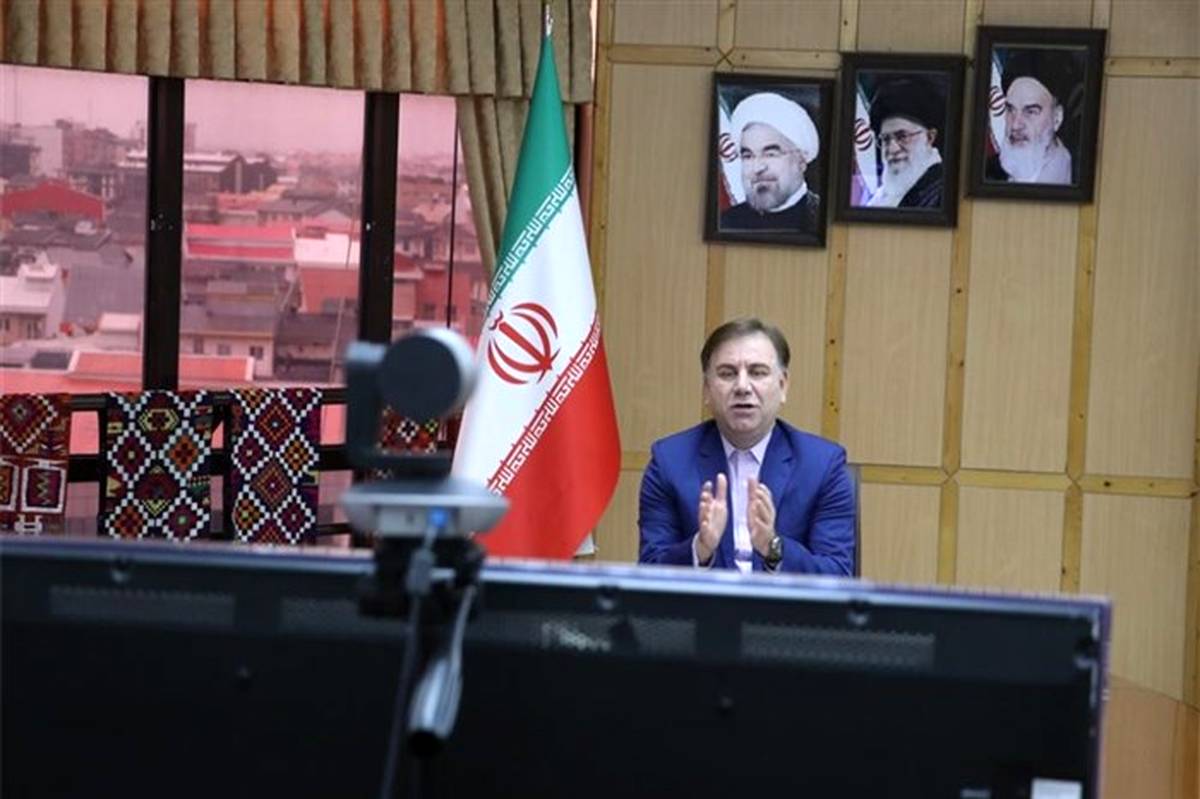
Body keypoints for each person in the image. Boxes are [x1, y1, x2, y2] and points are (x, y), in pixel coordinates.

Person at [638, 318, 856, 575]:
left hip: (780, 602)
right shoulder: (669, 462)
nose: (742, 387)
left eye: (757, 372)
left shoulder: (822, 465)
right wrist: (699, 549)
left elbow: (837, 575)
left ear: (783, 385)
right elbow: (649, 571)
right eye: (727, 373)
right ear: (707, 389)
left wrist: (773, 548)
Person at [719, 92, 821, 233]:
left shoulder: (820, 219)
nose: (758, 168)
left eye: (770, 154)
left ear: (801, 161)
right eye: (748, 156)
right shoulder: (727, 223)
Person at [988, 49, 1077, 185]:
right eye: (1011, 109)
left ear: (1057, 118)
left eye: (1030, 112)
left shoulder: (1078, 175)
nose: (1015, 125)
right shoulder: (988, 173)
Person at [863, 77, 945, 209]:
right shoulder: (881, 197)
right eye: (886, 139)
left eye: (902, 136)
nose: (892, 148)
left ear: (930, 137)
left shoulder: (940, 194)